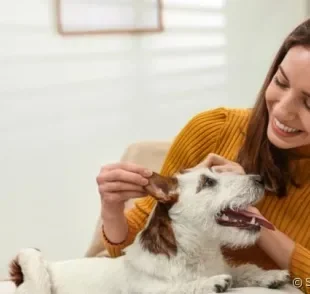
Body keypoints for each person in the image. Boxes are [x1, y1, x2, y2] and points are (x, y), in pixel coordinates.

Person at [96, 18, 310, 293]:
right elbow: (128, 252)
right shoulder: (214, 129)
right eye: (280, 82)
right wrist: (111, 208)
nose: (282, 110)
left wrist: (251, 218)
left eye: (309, 102)